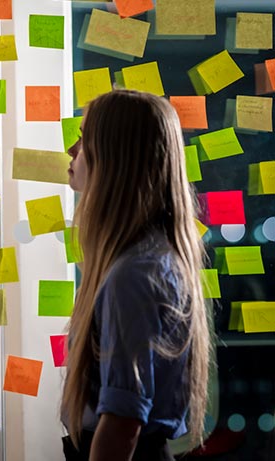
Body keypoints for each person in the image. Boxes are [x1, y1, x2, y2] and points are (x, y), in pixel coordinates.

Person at [61, 90, 212, 461]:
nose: (72, 150)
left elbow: (122, 423)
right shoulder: (143, 260)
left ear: (113, 158)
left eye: (84, 138)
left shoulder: (135, 274)